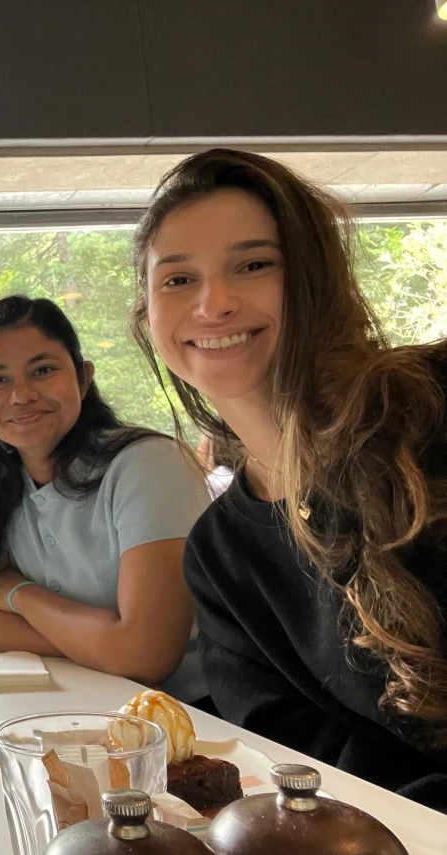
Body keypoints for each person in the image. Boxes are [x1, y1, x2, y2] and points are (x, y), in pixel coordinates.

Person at [132, 147, 447, 809]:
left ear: (311, 279)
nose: (213, 302)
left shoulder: (430, 408)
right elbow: (305, 768)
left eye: (253, 264)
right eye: (178, 279)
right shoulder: (220, 560)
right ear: (148, 317)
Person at [0, 295, 211, 702]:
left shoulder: (148, 465)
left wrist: (15, 593)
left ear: (84, 378)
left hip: (192, 723)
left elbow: (146, 657)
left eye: (43, 370)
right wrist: (102, 646)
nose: (22, 395)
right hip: (75, 709)